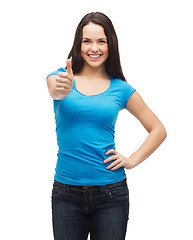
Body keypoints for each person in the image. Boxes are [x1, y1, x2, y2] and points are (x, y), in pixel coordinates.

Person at [46, 12, 167, 240]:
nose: (94, 48)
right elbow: (54, 89)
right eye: (87, 41)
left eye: (101, 41)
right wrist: (59, 88)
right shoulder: (60, 77)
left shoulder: (120, 88)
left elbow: (158, 129)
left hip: (111, 193)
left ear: (110, 44)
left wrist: (131, 160)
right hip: (65, 193)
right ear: (78, 44)